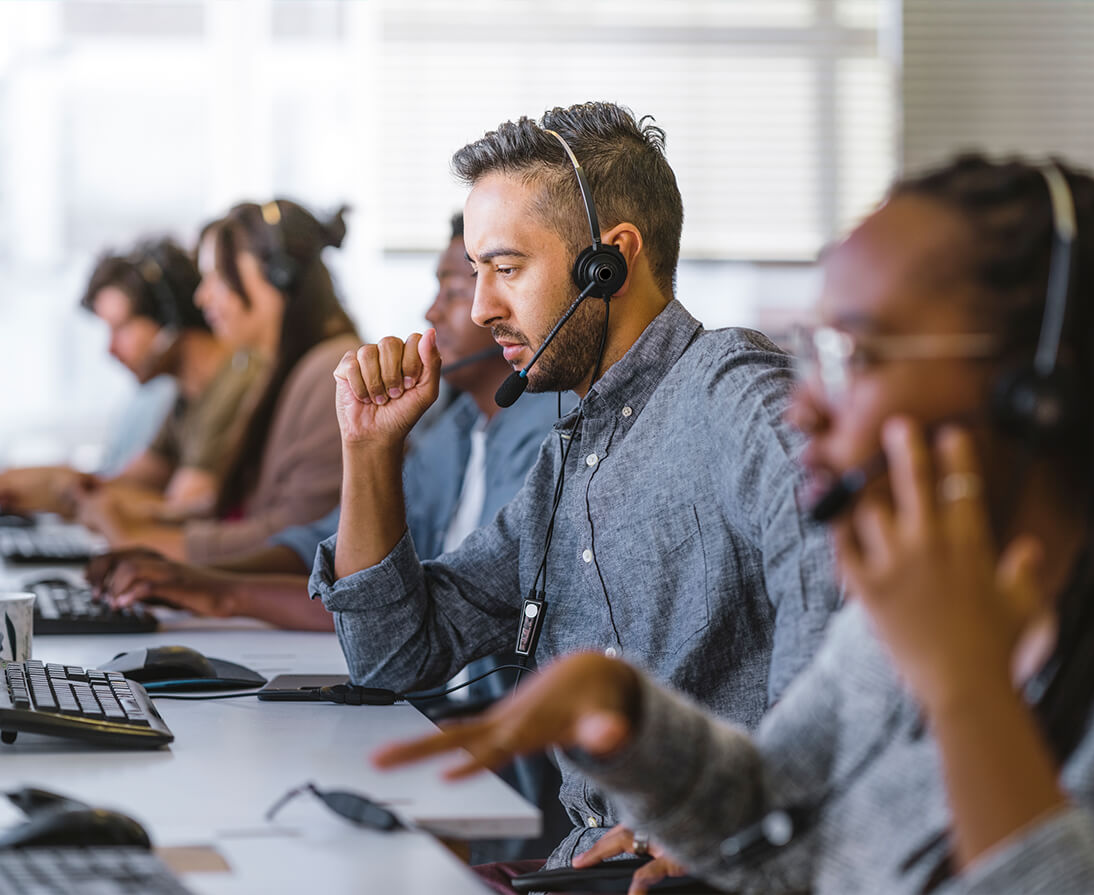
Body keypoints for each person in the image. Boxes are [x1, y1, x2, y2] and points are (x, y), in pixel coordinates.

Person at [372, 155, 1094, 895]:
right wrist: (630, 718)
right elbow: (778, 826)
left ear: (1039, 387)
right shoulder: (899, 619)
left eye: (858, 355)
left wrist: (969, 698)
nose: (804, 403)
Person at [309, 101, 838, 884]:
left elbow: (842, 595)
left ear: (609, 261)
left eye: (506, 267)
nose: (483, 304)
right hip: (587, 866)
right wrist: (368, 450)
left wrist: (749, 828)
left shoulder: (732, 391)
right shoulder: (571, 458)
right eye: (477, 270)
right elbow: (393, 653)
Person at [88, 214, 563, 635]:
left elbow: (421, 610)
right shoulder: (457, 426)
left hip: (454, 710)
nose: (431, 312)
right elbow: (332, 541)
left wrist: (213, 589)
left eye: (454, 292)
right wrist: (199, 582)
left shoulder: (544, 436)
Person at [77, 201, 360, 564]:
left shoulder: (332, 374)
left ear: (279, 277)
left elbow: (298, 535)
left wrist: (143, 539)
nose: (202, 297)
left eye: (219, 277)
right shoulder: (276, 372)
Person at [0, 239, 258, 519]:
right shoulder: (184, 399)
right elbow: (122, 483)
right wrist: (27, 486)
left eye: (120, 329)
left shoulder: (236, 385)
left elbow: (180, 509)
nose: (110, 350)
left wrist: (81, 499)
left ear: (168, 315)